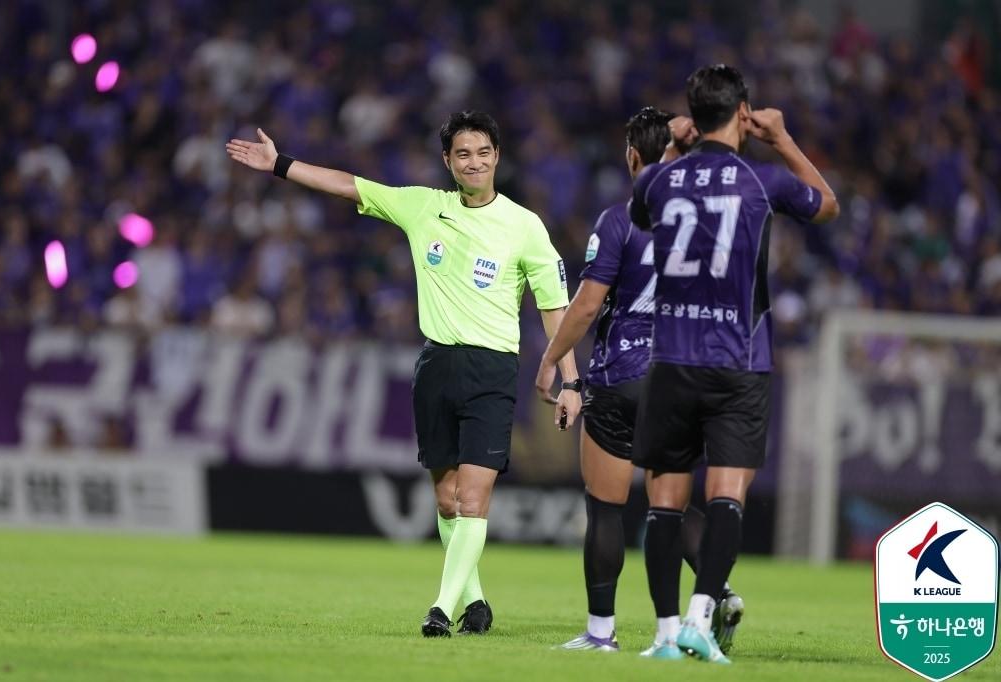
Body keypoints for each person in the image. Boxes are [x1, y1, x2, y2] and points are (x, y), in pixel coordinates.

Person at [226, 111, 581, 638]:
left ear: (497, 157)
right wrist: (280, 164)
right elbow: (348, 186)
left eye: (483, 152)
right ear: (448, 162)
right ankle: (476, 599)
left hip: (492, 369)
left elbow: (555, 308)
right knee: (446, 500)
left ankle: (441, 608)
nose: (474, 162)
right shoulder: (423, 207)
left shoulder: (524, 225)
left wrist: (570, 378)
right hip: (436, 366)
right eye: (463, 153)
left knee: (474, 499)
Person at [629, 64, 839, 663]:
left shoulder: (660, 183)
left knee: (665, 504)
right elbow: (827, 205)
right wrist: (782, 138)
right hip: (739, 362)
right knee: (725, 498)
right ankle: (700, 618)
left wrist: (673, 145)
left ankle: (665, 635)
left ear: (694, 116)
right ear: (743, 114)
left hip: (671, 360)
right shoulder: (761, 178)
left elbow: (642, 204)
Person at [535, 107, 743, 655]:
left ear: (633, 155)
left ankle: (601, 633)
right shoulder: (705, 222)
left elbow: (583, 308)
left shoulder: (621, 219)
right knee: (668, 504)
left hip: (621, 376)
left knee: (605, 508)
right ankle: (717, 592)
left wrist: (553, 361)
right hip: (680, 377)